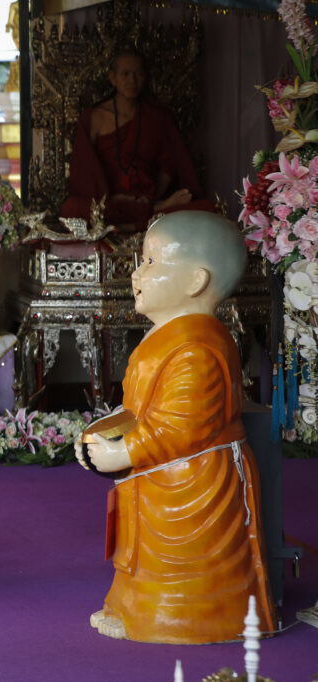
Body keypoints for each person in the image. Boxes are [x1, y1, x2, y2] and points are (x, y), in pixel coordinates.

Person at [77, 211, 276, 644]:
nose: (136, 274)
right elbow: (144, 408)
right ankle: (135, 609)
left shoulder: (199, 347)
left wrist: (124, 452)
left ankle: (184, 621)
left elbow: (183, 427)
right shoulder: (172, 334)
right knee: (146, 555)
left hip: (193, 483)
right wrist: (106, 430)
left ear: (195, 281)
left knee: (183, 561)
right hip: (161, 476)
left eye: (150, 262)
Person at [59, 49, 214, 228]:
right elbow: (84, 171)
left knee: (206, 208)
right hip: (110, 203)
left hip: (146, 199)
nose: (132, 81)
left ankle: (144, 214)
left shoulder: (158, 117)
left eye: (138, 74)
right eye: (125, 74)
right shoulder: (94, 117)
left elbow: (169, 165)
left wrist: (152, 198)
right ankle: (152, 213)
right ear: (113, 78)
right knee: (72, 208)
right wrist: (109, 199)